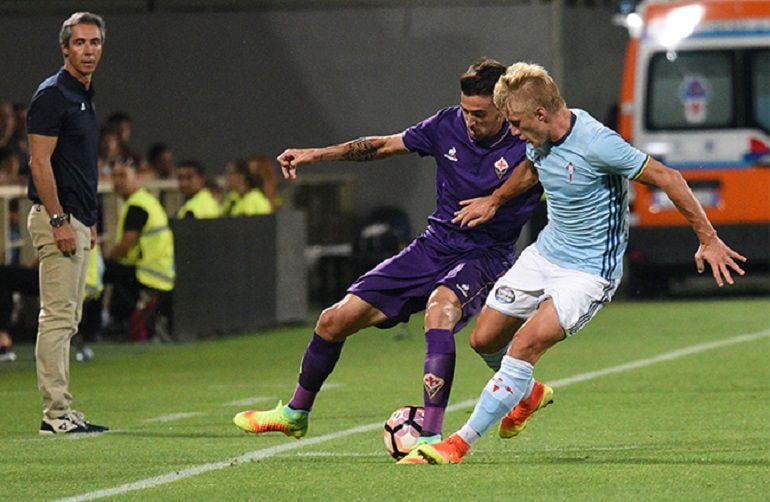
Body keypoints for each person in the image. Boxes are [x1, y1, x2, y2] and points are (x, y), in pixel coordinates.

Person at [402, 62, 746, 464]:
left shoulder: (598, 143)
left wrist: (708, 238)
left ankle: (457, 444)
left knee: (526, 343)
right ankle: (526, 394)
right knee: (484, 339)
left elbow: (668, 177)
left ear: (541, 114)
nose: (511, 132)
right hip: (546, 254)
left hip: (588, 272)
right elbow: (531, 169)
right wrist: (495, 200)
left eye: (515, 123)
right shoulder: (539, 135)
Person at [233, 58, 545, 446]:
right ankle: (295, 413)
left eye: (479, 114)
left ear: (503, 107)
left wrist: (495, 201)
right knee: (333, 320)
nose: (470, 120)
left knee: (439, 312)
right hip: (434, 245)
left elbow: (532, 172)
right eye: (466, 111)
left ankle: (430, 437)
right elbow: (382, 146)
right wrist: (315, 154)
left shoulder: (526, 137)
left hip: (485, 254)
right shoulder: (446, 124)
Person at [26, 11, 109, 434]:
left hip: (77, 218)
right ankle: (55, 414)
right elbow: (39, 163)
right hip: (57, 217)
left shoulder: (82, 94)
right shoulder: (53, 95)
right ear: (64, 48)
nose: (88, 50)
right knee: (57, 318)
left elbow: (77, 165)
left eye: (94, 42)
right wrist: (59, 218)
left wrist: (87, 219)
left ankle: (63, 409)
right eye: (80, 42)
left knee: (69, 318)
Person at [105, 162, 175, 341]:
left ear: (136, 179)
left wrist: (109, 258)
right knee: (114, 272)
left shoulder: (137, 205)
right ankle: (119, 320)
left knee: (102, 271)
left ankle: (105, 323)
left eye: (123, 176)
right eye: (115, 176)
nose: (118, 181)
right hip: (161, 270)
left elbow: (126, 244)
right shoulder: (147, 200)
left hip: (149, 272)